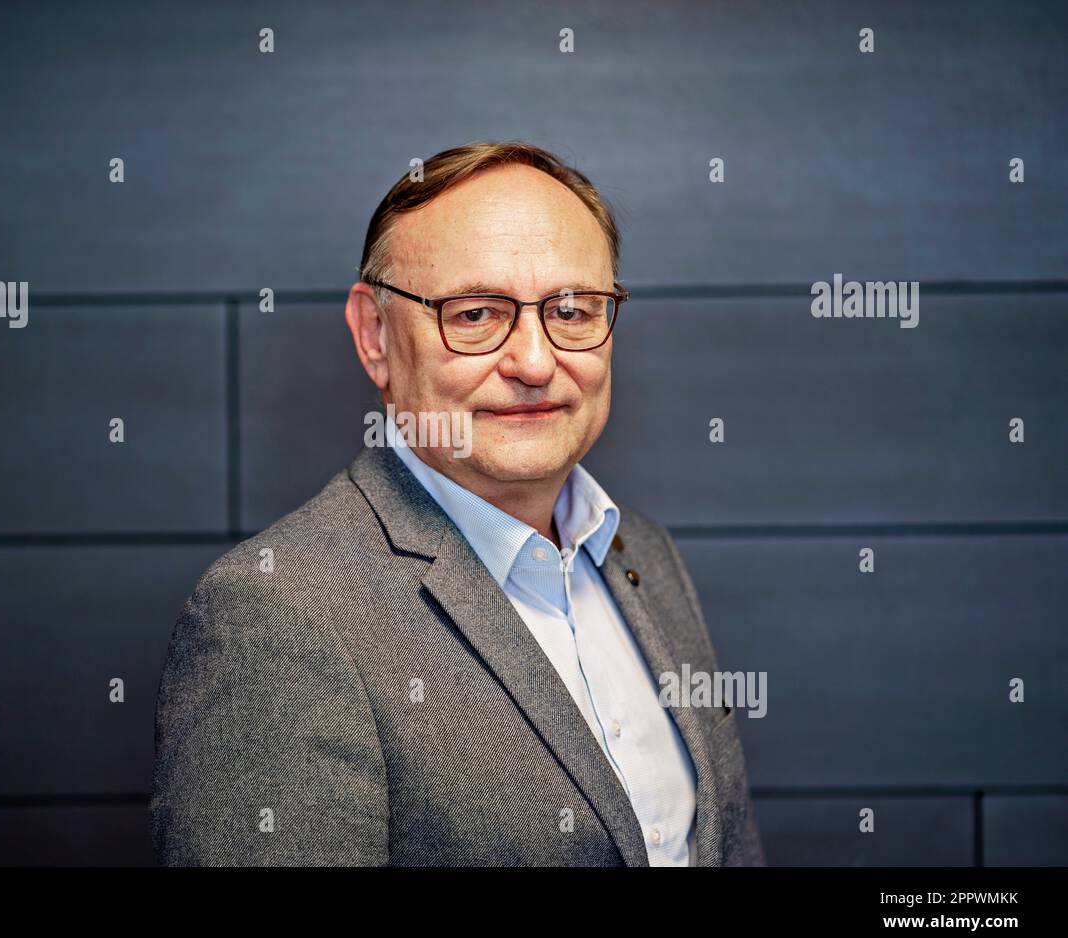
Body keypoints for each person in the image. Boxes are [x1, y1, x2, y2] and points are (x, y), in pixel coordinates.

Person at [152, 142, 765, 866]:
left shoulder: (646, 556)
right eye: (474, 314)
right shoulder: (278, 613)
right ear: (375, 336)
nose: (535, 362)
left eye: (572, 309)